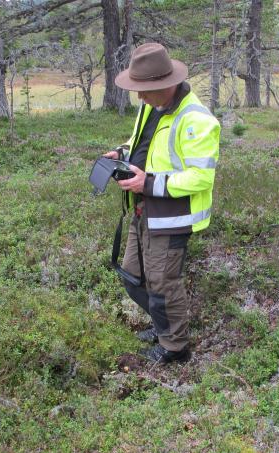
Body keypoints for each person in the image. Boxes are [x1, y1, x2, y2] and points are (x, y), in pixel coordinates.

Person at [102, 43, 221, 364]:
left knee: (162, 283)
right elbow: (140, 144)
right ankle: (163, 324)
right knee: (131, 274)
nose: (139, 97)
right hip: (144, 209)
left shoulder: (197, 120)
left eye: (145, 90)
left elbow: (200, 177)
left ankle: (175, 346)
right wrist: (121, 154)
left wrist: (148, 182)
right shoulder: (151, 107)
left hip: (172, 216)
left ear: (164, 84)